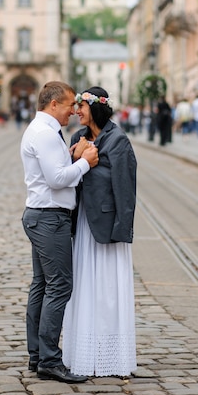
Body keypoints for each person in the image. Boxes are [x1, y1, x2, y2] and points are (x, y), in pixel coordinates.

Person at [20, 81, 99, 384]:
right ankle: (50, 360)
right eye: (69, 106)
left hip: (40, 216)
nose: (73, 112)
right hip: (50, 218)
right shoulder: (45, 132)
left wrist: (68, 153)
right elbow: (55, 179)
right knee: (60, 286)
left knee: (41, 285)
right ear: (54, 104)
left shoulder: (41, 131)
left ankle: (37, 354)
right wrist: (83, 162)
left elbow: (48, 168)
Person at [63, 86, 137, 378]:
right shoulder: (76, 138)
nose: (76, 111)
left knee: (107, 290)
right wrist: (77, 160)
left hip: (107, 226)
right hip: (82, 222)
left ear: (95, 109)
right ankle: (83, 351)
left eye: (81, 106)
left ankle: (110, 356)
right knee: (84, 286)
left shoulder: (118, 140)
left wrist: (122, 229)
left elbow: (125, 188)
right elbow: (70, 179)